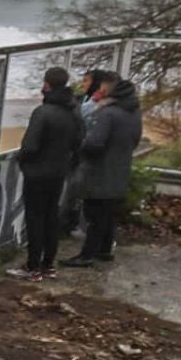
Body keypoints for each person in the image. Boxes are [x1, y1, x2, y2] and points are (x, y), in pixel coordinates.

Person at [63, 77, 144, 268]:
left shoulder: (108, 114)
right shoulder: (134, 114)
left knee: (94, 215)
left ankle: (87, 254)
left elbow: (95, 142)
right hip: (120, 169)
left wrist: (81, 147)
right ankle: (105, 249)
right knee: (108, 214)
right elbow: (135, 139)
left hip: (99, 171)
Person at [10, 67, 82, 279]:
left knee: (35, 218)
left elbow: (30, 145)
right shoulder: (73, 111)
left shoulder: (42, 113)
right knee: (51, 216)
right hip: (59, 172)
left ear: (46, 85)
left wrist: (24, 162)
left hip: (37, 173)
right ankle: (48, 264)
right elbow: (79, 142)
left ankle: (33, 266)